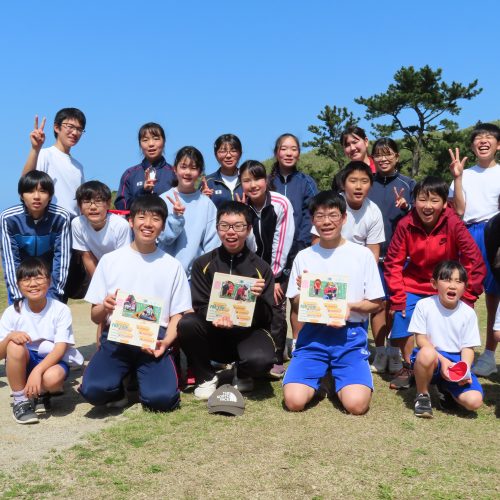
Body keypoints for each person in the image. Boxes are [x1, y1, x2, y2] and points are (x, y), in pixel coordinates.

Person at [79, 195, 192, 412]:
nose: (148, 224)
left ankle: (140, 379)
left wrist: (166, 342)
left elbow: (178, 314)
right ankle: (121, 384)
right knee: (94, 390)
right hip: (117, 337)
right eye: (142, 217)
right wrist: (106, 306)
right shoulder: (110, 261)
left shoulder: (172, 266)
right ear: (130, 221)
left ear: (163, 225)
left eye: (156, 219)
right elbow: (95, 316)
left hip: (153, 341)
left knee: (162, 401)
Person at [283, 191, 384, 414]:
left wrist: (350, 307)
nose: (326, 222)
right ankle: (323, 375)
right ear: (312, 221)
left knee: (356, 405)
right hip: (313, 336)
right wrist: (304, 292)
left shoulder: (362, 255)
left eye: (333, 215)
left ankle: (336, 376)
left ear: (344, 218)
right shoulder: (304, 256)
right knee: (294, 402)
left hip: (349, 337)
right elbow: (297, 304)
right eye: (319, 216)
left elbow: (377, 303)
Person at [384, 176, 486, 391]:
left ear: (444, 203)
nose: (428, 206)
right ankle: (409, 366)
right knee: (402, 314)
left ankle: (449, 368)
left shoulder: (453, 223)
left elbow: (474, 261)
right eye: (422, 199)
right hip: (414, 282)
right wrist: (398, 298)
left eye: (434, 200)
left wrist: (467, 296)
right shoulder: (406, 224)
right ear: (414, 201)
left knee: (449, 320)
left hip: (445, 283)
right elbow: (393, 262)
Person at [177, 201, 275, 399]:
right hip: (214, 332)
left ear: (248, 229)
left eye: (238, 226)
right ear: (217, 228)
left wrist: (258, 298)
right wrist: (217, 316)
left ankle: (244, 372)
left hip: (247, 333)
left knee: (261, 360)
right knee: (187, 323)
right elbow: (200, 304)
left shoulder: (261, 268)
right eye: (225, 225)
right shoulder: (202, 264)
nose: (231, 232)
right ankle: (206, 377)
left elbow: (268, 317)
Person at [0, 258, 81, 424]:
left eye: (38, 278)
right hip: (25, 360)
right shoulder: (11, 312)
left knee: (53, 378)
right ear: (18, 284)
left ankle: (41, 393)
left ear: (49, 281)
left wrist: (37, 372)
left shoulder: (61, 310)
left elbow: (60, 349)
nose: (33, 283)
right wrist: (9, 337)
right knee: (15, 346)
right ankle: (20, 401)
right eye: (26, 279)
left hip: (52, 360)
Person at [449, 123, 500, 376]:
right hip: (467, 232)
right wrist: (457, 178)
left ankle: (489, 354)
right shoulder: (465, 174)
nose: (483, 141)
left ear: (498, 145)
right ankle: (458, 349)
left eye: (489, 137)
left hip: (495, 234)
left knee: (494, 295)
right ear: (472, 146)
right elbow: (458, 210)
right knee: (461, 292)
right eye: (478, 137)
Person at [239, 160, 294, 378]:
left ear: (266, 180)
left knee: (276, 309)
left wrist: (275, 279)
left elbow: (282, 243)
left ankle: (277, 358)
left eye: (257, 178)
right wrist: (244, 215)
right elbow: (246, 245)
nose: (253, 185)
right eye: (246, 180)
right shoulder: (243, 207)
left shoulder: (281, 203)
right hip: (251, 271)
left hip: (277, 270)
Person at [410, 261, 483, 418]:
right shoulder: (424, 305)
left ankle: (447, 390)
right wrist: (443, 361)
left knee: (474, 401)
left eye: (458, 281)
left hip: (456, 360)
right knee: (426, 353)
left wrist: (464, 370)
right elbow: (421, 340)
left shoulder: (468, 313)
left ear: (465, 286)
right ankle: (422, 395)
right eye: (447, 280)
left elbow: (468, 348)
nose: (452, 286)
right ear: (434, 283)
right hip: (433, 356)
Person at [368, 138, 416, 374]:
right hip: (373, 256)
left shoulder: (408, 184)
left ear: (397, 156)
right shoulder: (368, 183)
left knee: (397, 306)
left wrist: (407, 207)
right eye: (378, 154)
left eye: (388, 154)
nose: (383, 158)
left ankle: (395, 352)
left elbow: (421, 216)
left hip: (401, 259)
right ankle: (380, 352)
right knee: (378, 305)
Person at [268, 133, 318, 353]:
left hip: (300, 248)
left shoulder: (307, 182)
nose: (289, 153)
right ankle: (274, 345)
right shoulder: (268, 182)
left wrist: (305, 245)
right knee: (275, 300)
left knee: (299, 299)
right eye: (284, 148)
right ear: (277, 152)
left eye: (294, 149)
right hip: (272, 251)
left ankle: (298, 343)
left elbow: (312, 215)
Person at [0, 171, 71, 303]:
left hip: (48, 280)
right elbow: (10, 262)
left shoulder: (61, 217)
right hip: (22, 278)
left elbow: (62, 260)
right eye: (30, 191)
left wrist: (54, 296)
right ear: (21, 195)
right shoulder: (8, 218)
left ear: (50, 195)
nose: (36, 196)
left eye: (43, 191)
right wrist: (18, 297)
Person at [158, 146, 220, 279]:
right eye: (183, 167)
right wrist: (175, 218)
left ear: (200, 172)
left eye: (193, 168)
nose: (187, 172)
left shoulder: (207, 204)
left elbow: (212, 245)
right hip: (164, 275)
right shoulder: (163, 200)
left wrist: (205, 273)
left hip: (194, 278)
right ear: (175, 169)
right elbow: (164, 239)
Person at [21, 109, 86, 217]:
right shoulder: (45, 154)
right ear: (56, 127)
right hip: (50, 222)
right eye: (70, 127)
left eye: (79, 129)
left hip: (72, 225)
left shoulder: (79, 166)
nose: (75, 133)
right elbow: (25, 182)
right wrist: (35, 149)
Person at [72, 181, 131, 278]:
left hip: (122, 271)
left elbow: (123, 260)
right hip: (99, 270)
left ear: (108, 204)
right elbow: (87, 257)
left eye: (98, 201)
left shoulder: (121, 225)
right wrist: (98, 283)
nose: (93, 207)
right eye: (86, 202)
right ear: (79, 205)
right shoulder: (77, 224)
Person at [114, 123, 175, 211]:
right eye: (145, 140)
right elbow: (121, 206)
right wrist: (143, 192)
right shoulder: (129, 174)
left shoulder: (174, 173)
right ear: (140, 144)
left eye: (156, 139)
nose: (151, 144)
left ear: (164, 141)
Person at [201, 134, 244, 208]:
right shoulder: (208, 182)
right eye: (223, 151)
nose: (228, 156)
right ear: (215, 155)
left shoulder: (248, 179)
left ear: (240, 153)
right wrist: (201, 199)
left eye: (233, 150)